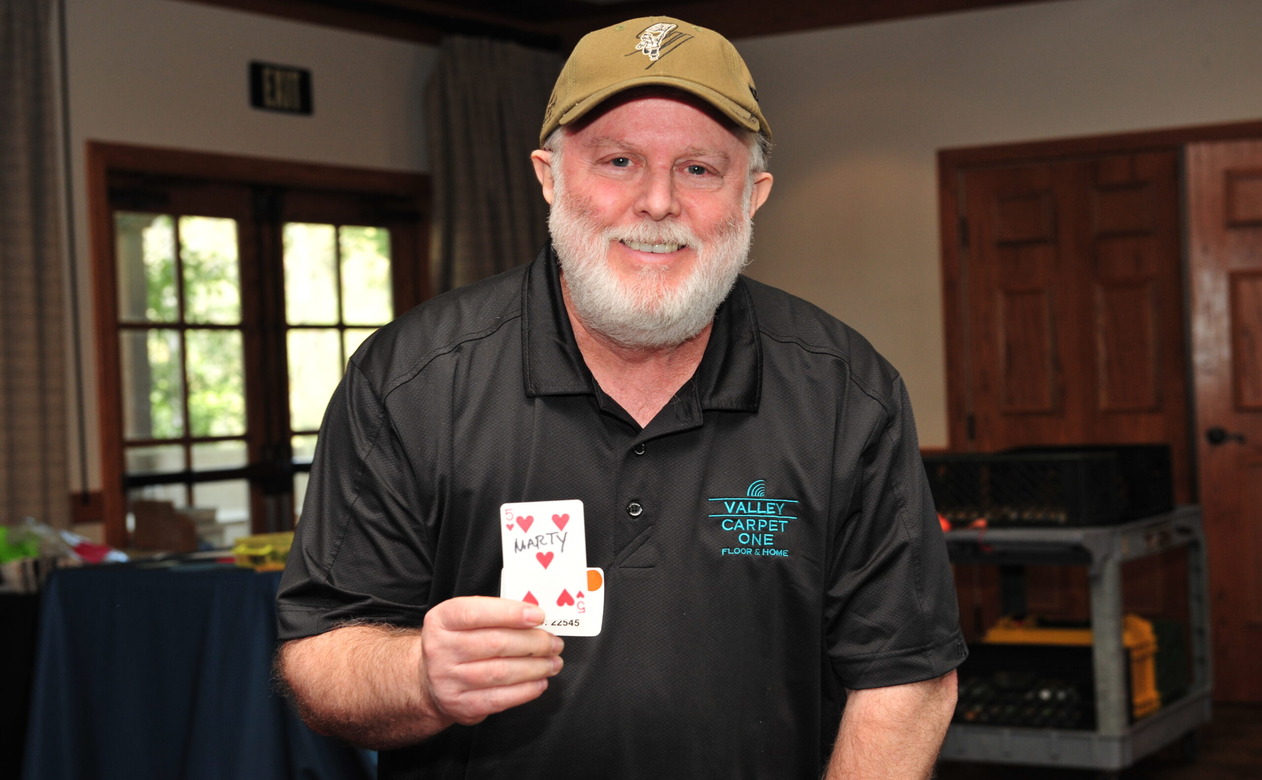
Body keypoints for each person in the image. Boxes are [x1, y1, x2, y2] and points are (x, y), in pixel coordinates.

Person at [276, 15, 965, 779]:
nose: (658, 203)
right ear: (549, 175)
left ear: (754, 194)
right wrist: (422, 678)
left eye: (700, 169)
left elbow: (907, 672)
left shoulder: (845, 392)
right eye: (618, 161)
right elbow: (320, 656)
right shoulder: (411, 382)